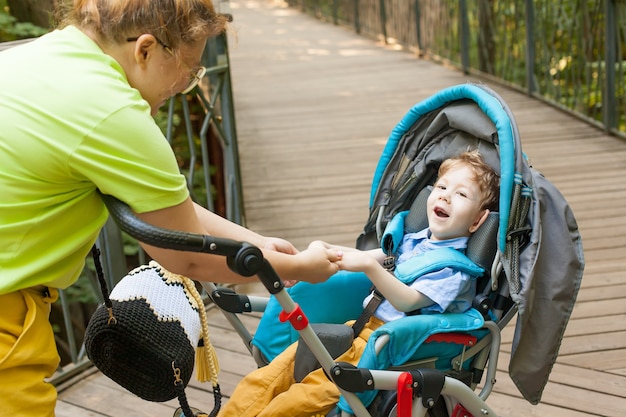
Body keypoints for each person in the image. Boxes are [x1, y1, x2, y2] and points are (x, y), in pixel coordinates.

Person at [0, 1, 341, 416]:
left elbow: (171, 212)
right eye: (190, 68)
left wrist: (255, 241)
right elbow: (187, 256)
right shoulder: (113, 112)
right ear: (145, 49)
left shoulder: (44, 55)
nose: (188, 85)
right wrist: (301, 269)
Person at [218, 150, 500, 417]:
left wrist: (368, 267)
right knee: (271, 375)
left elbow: (408, 300)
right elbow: (365, 257)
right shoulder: (414, 240)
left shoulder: (453, 270)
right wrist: (325, 249)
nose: (446, 197)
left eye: (461, 194)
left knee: (301, 399)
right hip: (355, 331)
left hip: (387, 350)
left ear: (477, 220)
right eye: (441, 187)